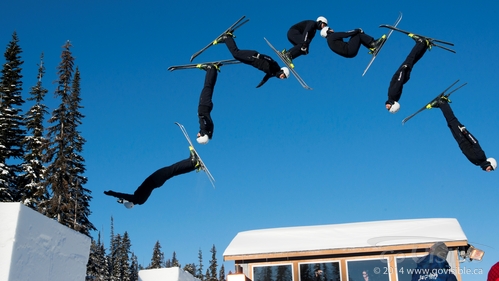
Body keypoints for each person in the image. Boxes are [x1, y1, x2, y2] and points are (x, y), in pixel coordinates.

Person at [103, 146, 201, 208]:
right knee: (172, 169)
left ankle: (193, 165)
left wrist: (121, 200)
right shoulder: (137, 198)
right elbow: (126, 196)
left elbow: (126, 198)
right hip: (155, 179)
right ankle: (192, 161)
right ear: (130, 202)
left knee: (173, 172)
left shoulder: (139, 201)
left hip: (156, 182)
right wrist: (112, 194)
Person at [426, 96, 496, 172]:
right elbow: (475, 142)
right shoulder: (481, 157)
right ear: (490, 163)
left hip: (460, 141)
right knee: (452, 120)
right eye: (490, 168)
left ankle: (441, 106)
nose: (488, 170)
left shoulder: (477, 163)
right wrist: (465, 132)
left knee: (450, 124)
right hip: (462, 136)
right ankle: (442, 102)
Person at [215, 32, 289, 88]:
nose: (282, 77)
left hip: (252, 62)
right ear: (283, 71)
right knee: (236, 53)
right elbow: (269, 59)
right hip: (254, 57)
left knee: (237, 56)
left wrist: (260, 84)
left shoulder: (273, 74)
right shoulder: (276, 67)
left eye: (284, 78)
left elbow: (266, 78)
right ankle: (227, 37)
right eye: (284, 75)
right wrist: (259, 56)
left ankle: (227, 40)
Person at [386, 34, 432, 113]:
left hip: (403, 75)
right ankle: (421, 43)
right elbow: (399, 82)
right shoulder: (393, 95)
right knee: (411, 57)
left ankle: (424, 46)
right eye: (389, 107)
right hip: (402, 73)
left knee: (413, 60)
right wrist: (403, 70)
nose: (386, 106)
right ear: (393, 105)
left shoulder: (393, 97)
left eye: (387, 108)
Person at [320, 26, 386, 59]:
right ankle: (374, 44)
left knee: (357, 38)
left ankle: (372, 48)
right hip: (349, 49)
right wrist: (358, 30)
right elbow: (346, 34)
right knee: (358, 35)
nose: (332, 30)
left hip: (349, 53)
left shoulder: (329, 42)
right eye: (330, 29)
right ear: (327, 31)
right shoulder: (332, 36)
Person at [195, 62, 221, 145]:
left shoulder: (208, 130)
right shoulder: (204, 128)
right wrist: (202, 116)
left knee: (209, 87)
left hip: (206, 107)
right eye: (198, 136)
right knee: (207, 87)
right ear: (202, 135)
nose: (197, 134)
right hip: (204, 106)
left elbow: (210, 123)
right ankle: (211, 69)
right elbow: (207, 121)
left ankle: (212, 71)